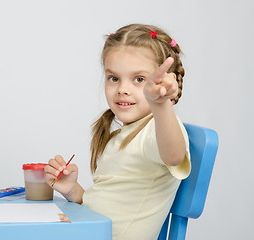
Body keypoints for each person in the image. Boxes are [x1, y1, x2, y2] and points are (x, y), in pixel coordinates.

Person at [44, 23, 191, 240]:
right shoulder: (121, 136)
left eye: (139, 79)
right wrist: (73, 190)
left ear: (164, 81)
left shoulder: (155, 130)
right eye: (114, 78)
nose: (122, 89)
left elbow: (174, 156)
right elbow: (104, 209)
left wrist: (160, 104)